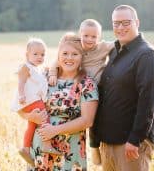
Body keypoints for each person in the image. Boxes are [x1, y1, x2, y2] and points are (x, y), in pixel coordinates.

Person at [91, 4, 154, 171]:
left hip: (130, 145)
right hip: (108, 142)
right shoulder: (115, 52)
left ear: (137, 22)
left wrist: (135, 139)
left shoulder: (147, 55)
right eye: (116, 23)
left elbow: (149, 102)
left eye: (126, 23)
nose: (120, 27)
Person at [19, 32, 99, 170]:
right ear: (58, 55)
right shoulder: (42, 76)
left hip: (70, 149)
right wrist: (29, 116)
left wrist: (54, 130)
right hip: (40, 150)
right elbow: (22, 105)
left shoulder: (87, 83)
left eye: (75, 54)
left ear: (81, 57)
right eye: (65, 53)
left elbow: (87, 120)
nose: (69, 58)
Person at [48, 19, 114, 165]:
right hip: (79, 88)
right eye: (86, 36)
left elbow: (120, 42)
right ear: (80, 35)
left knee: (95, 120)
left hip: (96, 88)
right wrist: (53, 73)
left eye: (94, 37)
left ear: (99, 37)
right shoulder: (76, 47)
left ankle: (95, 147)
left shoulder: (103, 47)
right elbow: (57, 59)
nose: (89, 40)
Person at [10, 38, 60, 167]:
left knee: (32, 125)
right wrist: (21, 95)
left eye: (42, 54)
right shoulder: (26, 67)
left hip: (32, 100)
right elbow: (20, 82)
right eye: (35, 54)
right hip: (30, 100)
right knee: (44, 118)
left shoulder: (38, 69)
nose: (40, 57)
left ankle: (25, 149)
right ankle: (47, 145)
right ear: (27, 55)